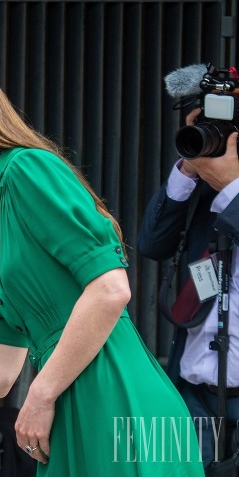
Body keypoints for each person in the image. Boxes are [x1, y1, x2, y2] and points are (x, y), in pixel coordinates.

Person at [0, 51, 204, 476]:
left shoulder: (26, 170)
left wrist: (42, 394)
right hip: (71, 408)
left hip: (116, 404)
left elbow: (110, 289)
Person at [138, 106, 239, 469]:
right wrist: (189, 167)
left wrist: (233, 188)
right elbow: (151, 244)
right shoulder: (213, 196)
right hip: (192, 392)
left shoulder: (229, 194)